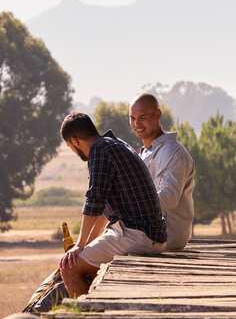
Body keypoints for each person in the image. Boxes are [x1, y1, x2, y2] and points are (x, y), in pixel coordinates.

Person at [58, 112, 167, 297]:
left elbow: (94, 199)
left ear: (75, 141)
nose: (74, 151)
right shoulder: (114, 144)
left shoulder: (99, 150)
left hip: (136, 234)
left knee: (70, 268)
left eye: (70, 147)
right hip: (152, 234)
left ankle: (84, 318)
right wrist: (87, 244)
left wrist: (80, 244)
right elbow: (103, 210)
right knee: (86, 262)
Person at [129, 93, 194, 250]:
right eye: (132, 118)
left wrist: (130, 210)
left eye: (142, 117)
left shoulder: (173, 152)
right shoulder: (145, 152)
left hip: (165, 237)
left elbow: (168, 198)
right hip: (143, 232)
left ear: (157, 115)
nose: (136, 123)